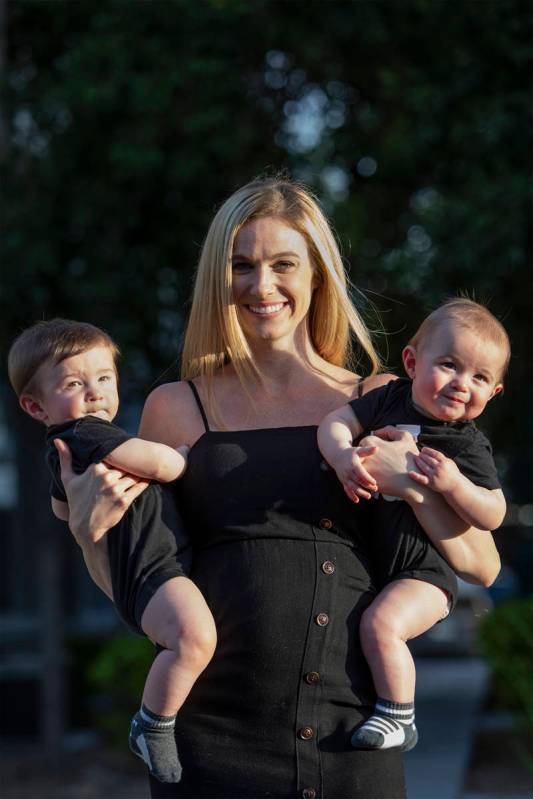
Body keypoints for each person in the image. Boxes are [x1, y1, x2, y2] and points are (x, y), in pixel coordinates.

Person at [53, 178, 501, 799]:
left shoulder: (376, 400)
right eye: (241, 265)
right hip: (211, 743)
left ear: (317, 274)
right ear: (218, 278)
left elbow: (481, 562)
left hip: (354, 734)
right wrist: (86, 532)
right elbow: (144, 589)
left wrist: (417, 486)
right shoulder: (175, 409)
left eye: (283, 264)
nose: (262, 286)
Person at [7, 319, 217, 783]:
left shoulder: (66, 445)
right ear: (35, 406)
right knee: (195, 638)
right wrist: (185, 453)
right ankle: (152, 724)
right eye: (75, 383)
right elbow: (162, 463)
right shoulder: (87, 433)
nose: (95, 392)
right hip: (152, 569)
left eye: (104, 378)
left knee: (190, 640)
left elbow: (63, 509)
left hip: (144, 568)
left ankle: (156, 720)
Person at [318, 298, 509, 752]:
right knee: (369, 620)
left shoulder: (466, 445)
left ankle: (398, 715)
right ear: (411, 361)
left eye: (480, 377)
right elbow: (334, 423)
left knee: (381, 624)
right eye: (449, 365)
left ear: (494, 392)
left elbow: (493, 513)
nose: (462, 384)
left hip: (424, 574)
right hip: (374, 563)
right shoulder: (388, 399)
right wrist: (343, 455)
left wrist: (454, 484)